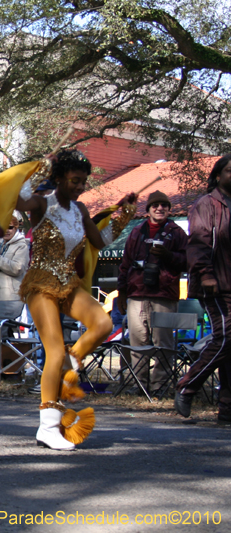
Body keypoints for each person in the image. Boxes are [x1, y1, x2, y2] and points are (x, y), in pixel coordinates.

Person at [15, 149, 136, 450]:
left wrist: (125, 216)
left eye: (83, 182)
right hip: (40, 285)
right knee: (53, 353)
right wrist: (37, 169)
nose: (80, 187)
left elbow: (101, 241)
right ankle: (48, 426)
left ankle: (71, 362)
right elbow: (17, 200)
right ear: (59, 178)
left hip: (68, 283)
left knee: (103, 323)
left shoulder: (80, 211)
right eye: (74, 181)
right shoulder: (42, 203)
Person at [175, 155, 231, 423]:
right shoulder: (206, 204)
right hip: (216, 284)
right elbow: (197, 243)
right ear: (218, 175)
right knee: (225, 338)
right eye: (230, 171)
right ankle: (188, 385)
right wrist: (207, 274)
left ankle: (227, 408)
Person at [117, 191, 187, 395]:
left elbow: (189, 261)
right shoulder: (137, 232)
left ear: (169, 209)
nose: (160, 208)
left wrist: (168, 255)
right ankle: (138, 384)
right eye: (155, 205)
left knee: (163, 343)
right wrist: (122, 291)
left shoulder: (177, 232)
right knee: (138, 341)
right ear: (148, 210)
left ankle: (160, 386)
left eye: (164, 205)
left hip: (164, 295)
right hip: (137, 294)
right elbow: (125, 264)